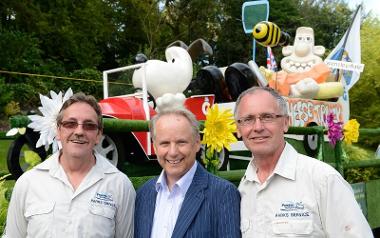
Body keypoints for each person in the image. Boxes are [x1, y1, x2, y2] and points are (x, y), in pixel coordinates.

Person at [234, 86, 373, 238]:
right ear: (239, 129)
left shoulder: (323, 180)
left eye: (267, 117)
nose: (258, 127)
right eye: (248, 119)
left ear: (286, 122)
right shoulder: (243, 189)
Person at [3, 92, 135, 238]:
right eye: (70, 124)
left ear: (98, 135)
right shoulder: (28, 183)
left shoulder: (120, 185)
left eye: (89, 125)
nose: (79, 131)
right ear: (58, 130)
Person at [134, 108, 240, 238]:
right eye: (165, 143)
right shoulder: (143, 194)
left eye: (181, 142)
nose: (173, 152)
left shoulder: (223, 194)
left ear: (197, 144)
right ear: (155, 147)